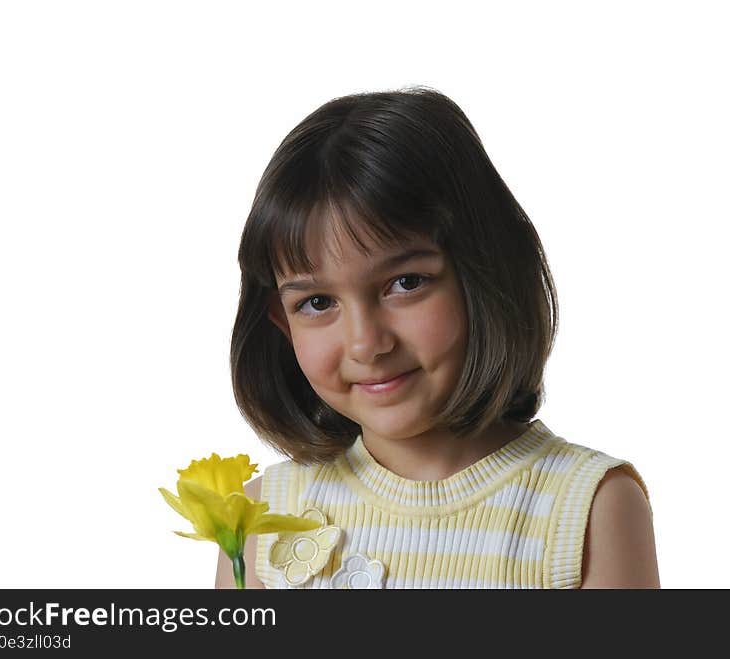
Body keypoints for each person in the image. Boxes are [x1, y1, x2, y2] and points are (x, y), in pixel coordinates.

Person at [215, 86, 659, 589]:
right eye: (318, 303)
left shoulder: (588, 509)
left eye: (406, 284)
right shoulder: (259, 518)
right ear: (281, 322)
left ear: (486, 275)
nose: (367, 344)